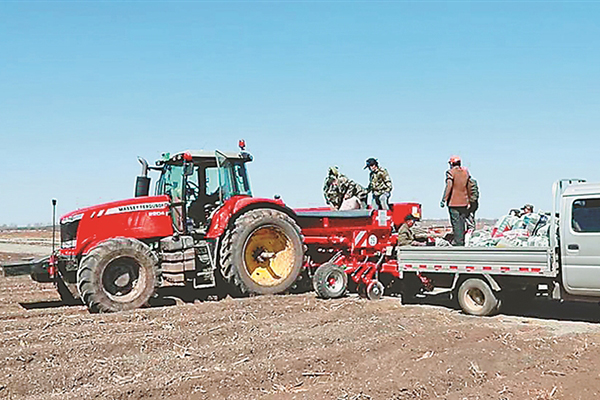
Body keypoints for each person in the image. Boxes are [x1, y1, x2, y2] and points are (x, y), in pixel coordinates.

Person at [440, 155, 471, 246]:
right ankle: (462, 241)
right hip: (464, 202)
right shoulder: (466, 172)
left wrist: (444, 199)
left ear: (451, 164)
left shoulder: (450, 172)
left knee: (456, 223)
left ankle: (458, 243)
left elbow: (449, 186)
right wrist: (469, 200)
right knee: (462, 223)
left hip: (453, 202)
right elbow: (469, 186)